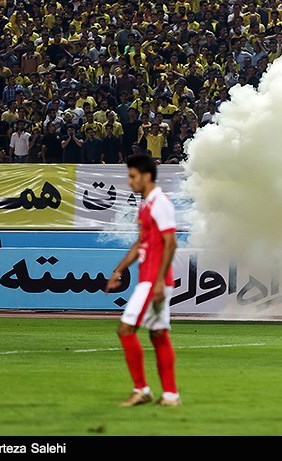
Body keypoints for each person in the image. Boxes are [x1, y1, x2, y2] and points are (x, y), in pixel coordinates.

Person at [105, 154, 181, 407]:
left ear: (147, 176)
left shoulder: (160, 203)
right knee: (158, 334)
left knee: (125, 329)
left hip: (152, 281)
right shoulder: (146, 204)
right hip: (151, 279)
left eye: (133, 176)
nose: (129, 181)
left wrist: (158, 281)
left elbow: (171, 243)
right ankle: (170, 395)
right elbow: (141, 243)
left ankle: (141, 389)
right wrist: (119, 269)